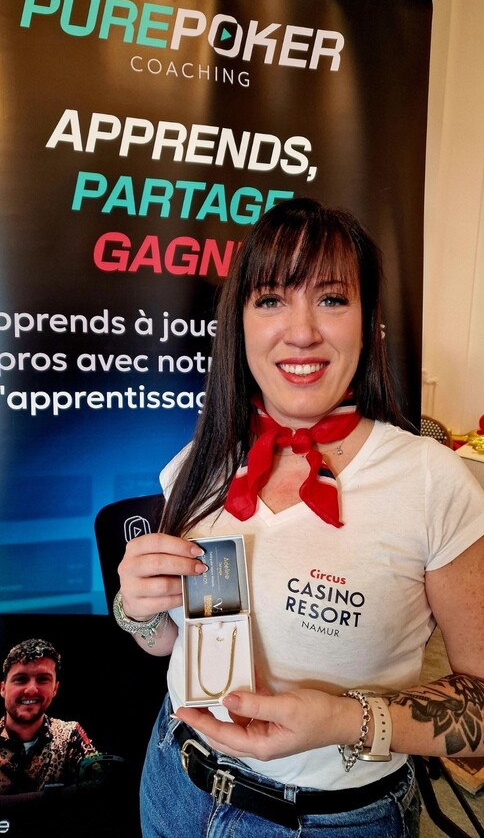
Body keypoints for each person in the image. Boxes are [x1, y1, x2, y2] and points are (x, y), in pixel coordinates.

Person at [116, 198, 484, 837]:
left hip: (329, 821)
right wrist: (137, 609)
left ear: (369, 324)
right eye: (271, 300)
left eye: (332, 299)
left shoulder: (432, 480)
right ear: (239, 326)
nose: (303, 331)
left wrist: (343, 720)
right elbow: (172, 642)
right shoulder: (197, 464)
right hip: (174, 782)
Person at [0, 637, 98, 794]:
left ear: (55, 689)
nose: (31, 689)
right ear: (3, 688)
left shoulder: (69, 735)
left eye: (42, 679)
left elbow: (101, 786)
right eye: (21, 679)